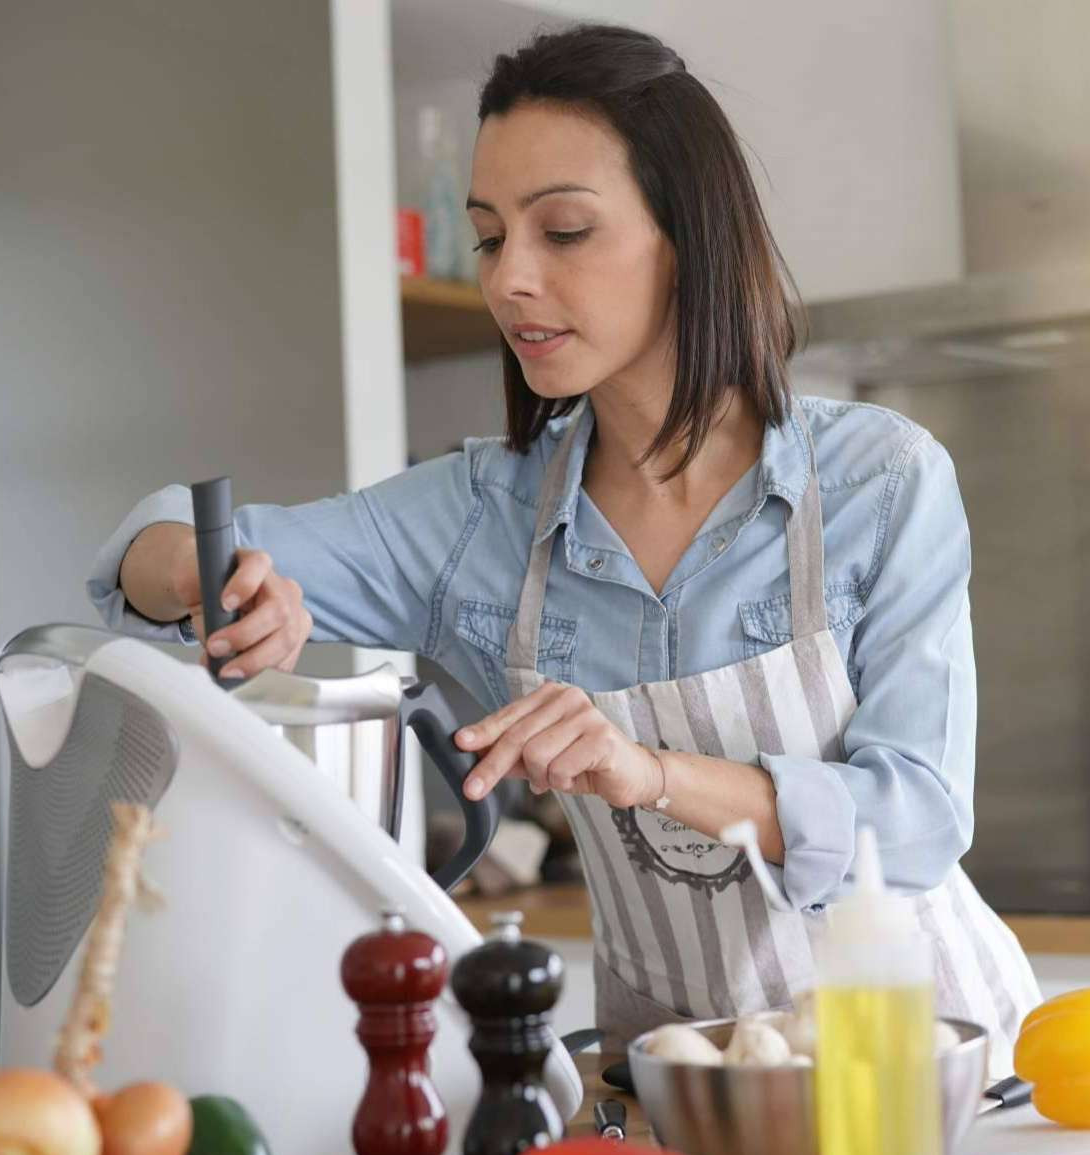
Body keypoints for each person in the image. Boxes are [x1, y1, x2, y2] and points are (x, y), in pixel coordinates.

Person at [88, 22, 1039, 1068]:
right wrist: (201, 571)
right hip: (676, 1100)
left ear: (688, 233)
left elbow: (912, 825)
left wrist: (651, 773)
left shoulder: (877, 479)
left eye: (564, 232)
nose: (508, 280)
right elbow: (150, 543)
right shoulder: (475, 518)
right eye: (492, 237)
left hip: (923, 1079)